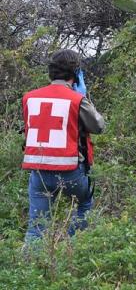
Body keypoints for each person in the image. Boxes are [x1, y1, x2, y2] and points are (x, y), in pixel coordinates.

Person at [22, 49, 105, 242]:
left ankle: (30, 266)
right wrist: (85, 99)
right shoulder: (77, 99)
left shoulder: (29, 97)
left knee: (36, 227)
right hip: (71, 172)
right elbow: (99, 126)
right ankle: (73, 247)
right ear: (76, 74)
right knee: (84, 205)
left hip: (39, 172)